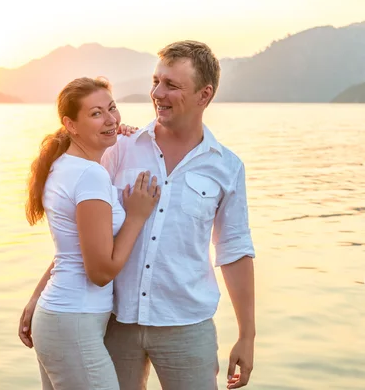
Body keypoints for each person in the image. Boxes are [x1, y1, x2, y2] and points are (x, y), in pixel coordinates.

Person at [19, 41, 256, 390]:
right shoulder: (119, 148)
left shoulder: (226, 167)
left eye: (171, 85)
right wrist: (39, 294)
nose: (157, 93)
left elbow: (234, 250)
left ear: (204, 95)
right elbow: (84, 236)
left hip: (186, 326)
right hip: (116, 322)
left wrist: (247, 335)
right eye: (156, 81)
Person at [22, 76, 161, 390]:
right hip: (73, 322)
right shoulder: (90, 175)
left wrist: (114, 133)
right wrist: (137, 217)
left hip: (61, 318)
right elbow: (100, 271)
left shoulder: (63, 165)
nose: (111, 119)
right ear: (71, 125)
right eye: (96, 113)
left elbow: (69, 251)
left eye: (112, 108)